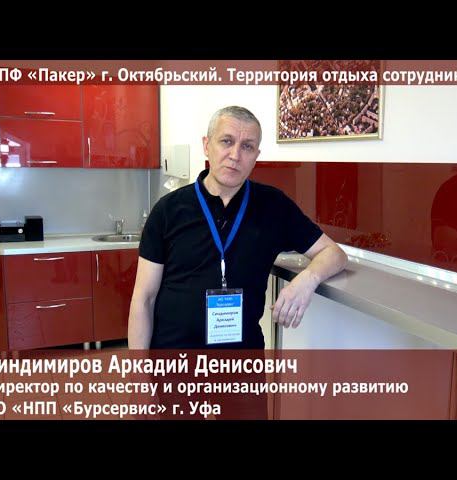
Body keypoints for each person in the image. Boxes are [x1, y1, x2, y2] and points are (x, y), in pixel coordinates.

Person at [127, 105, 347, 419]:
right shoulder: (169, 211)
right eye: (226, 141)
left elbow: (334, 254)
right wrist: (139, 376)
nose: (235, 155)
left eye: (247, 146)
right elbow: (143, 298)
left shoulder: (273, 206)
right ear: (207, 145)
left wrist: (306, 280)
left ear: (256, 155)